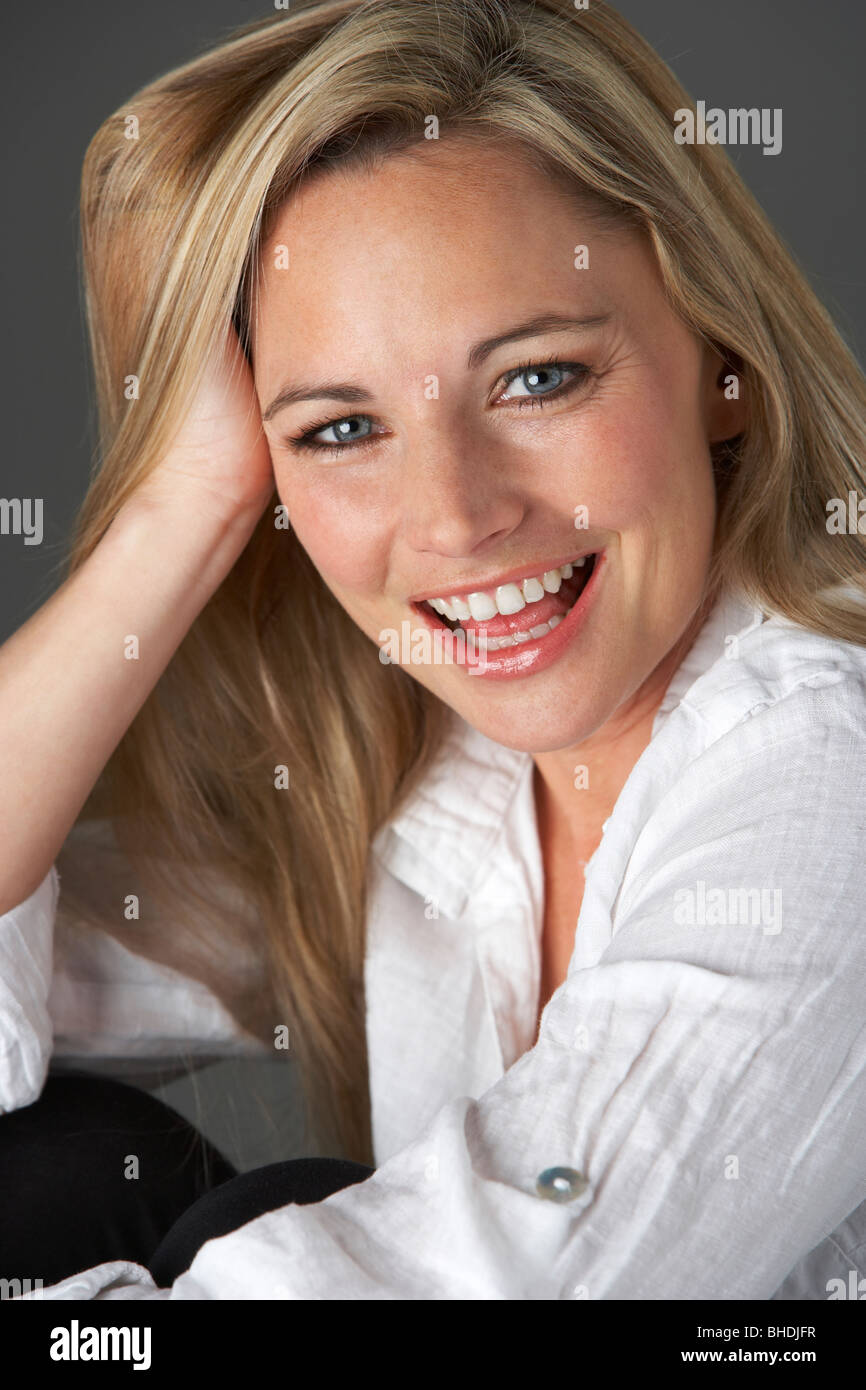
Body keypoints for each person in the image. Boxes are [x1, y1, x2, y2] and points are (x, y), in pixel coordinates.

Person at [2, 0, 866, 1300]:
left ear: (720, 362)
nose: (456, 520)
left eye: (536, 379)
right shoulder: (421, 759)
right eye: (341, 430)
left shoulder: (829, 769)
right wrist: (178, 512)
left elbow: (487, 1278)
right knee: (53, 1168)